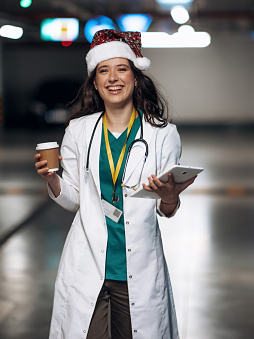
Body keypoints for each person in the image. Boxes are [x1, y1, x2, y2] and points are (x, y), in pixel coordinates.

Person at [34, 29, 196, 339]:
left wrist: (170, 197)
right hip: (87, 265)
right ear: (95, 82)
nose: (113, 78)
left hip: (138, 268)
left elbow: (166, 209)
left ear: (136, 77)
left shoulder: (162, 135)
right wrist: (52, 179)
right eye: (103, 70)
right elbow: (73, 199)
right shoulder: (79, 131)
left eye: (122, 68)